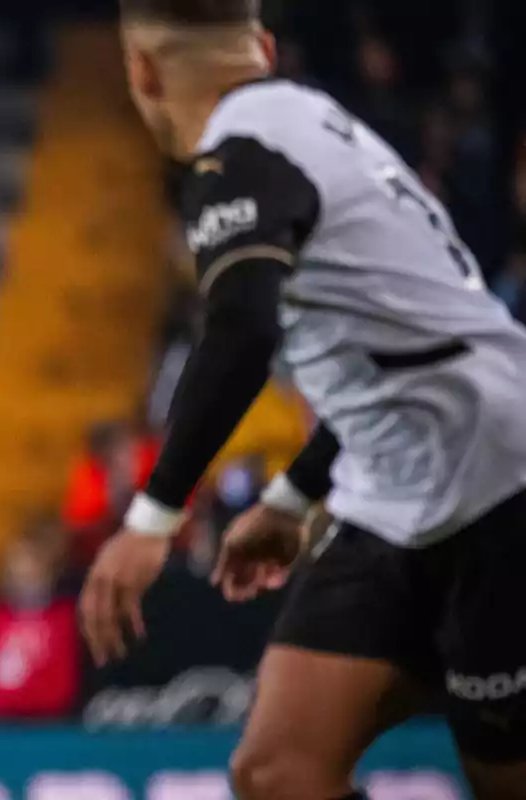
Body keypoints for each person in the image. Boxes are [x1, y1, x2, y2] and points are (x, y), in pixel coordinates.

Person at [80, 1, 526, 798]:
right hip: (395, 490)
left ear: (142, 71)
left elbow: (242, 329)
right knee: (278, 772)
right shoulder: (316, 124)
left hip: (496, 483)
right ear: (264, 48)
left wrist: (153, 517)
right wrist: (290, 497)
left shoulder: (238, 154)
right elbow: (401, 351)